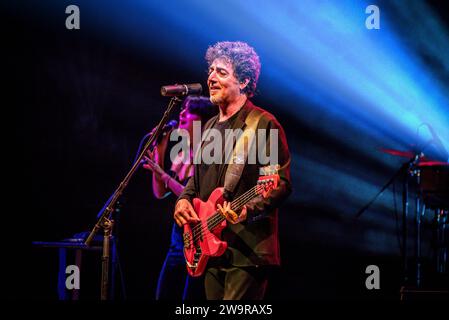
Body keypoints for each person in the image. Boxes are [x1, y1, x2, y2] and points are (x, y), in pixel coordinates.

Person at [174, 41, 292, 300]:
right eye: (211, 71)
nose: (211, 78)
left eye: (221, 72)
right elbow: (196, 180)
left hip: (248, 251)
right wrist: (183, 200)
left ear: (245, 82)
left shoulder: (262, 124)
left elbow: (279, 183)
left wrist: (247, 210)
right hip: (209, 246)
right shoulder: (209, 128)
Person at [143, 95, 218, 300]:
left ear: (203, 120)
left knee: (191, 300)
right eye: (182, 109)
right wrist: (159, 151)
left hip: (202, 238)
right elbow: (160, 193)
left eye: (189, 110)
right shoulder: (183, 151)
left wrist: (164, 176)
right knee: (163, 294)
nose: (182, 113)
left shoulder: (212, 152)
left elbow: (196, 197)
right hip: (179, 239)